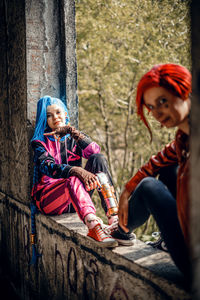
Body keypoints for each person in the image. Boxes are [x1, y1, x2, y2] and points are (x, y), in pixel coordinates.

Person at [118, 64, 192, 280]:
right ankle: (122, 229)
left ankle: (120, 230)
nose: (157, 113)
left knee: (150, 185)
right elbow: (156, 163)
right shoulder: (182, 139)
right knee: (167, 170)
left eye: (162, 101)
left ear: (185, 90)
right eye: (150, 106)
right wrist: (126, 190)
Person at [31, 95, 134, 248]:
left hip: (75, 198)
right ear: (44, 119)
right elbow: (47, 167)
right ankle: (93, 226)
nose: (55, 117)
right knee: (72, 177)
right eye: (49, 115)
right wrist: (75, 170)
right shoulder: (39, 142)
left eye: (58, 112)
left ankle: (114, 219)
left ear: (65, 113)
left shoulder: (73, 136)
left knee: (98, 159)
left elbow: (94, 150)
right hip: (50, 200)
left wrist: (74, 132)